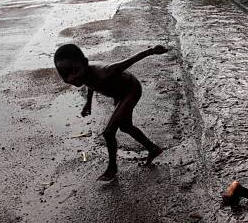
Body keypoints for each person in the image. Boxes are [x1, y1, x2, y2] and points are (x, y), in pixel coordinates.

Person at [54, 44, 168, 181]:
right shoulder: (83, 73)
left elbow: (127, 62)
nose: (72, 78)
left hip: (130, 89)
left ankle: (112, 169)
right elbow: (89, 83)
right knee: (125, 127)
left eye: (74, 71)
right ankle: (153, 149)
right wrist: (88, 103)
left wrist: (152, 51)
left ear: (84, 63)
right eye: (65, 75)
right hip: (119, 92)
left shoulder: (105, 71)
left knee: (109, 132)